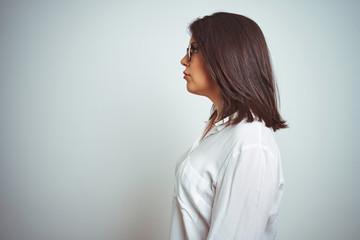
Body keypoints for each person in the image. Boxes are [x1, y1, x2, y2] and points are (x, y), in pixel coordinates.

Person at [168, 12, 287, 240]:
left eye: (193, 49)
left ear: (224, 56)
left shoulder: (251, 143)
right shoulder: (222, 128)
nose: (184, 60)